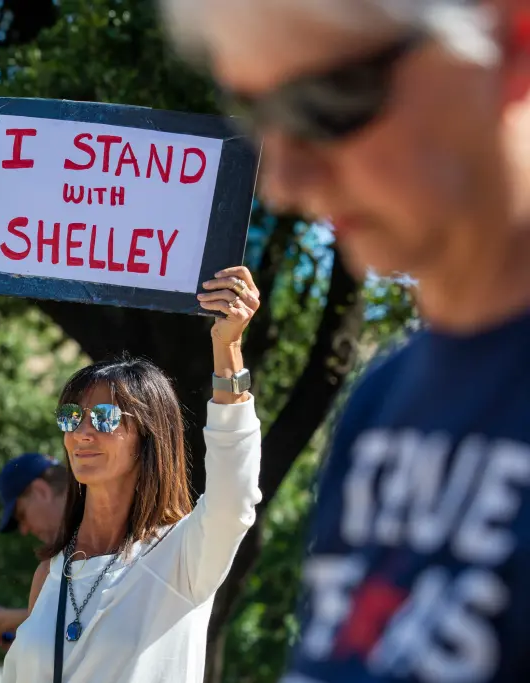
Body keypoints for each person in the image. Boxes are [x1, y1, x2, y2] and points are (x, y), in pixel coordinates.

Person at [162, 1, 530, 681]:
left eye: (328, 102)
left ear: (511, 40)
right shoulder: (384, 395)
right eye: (256, 113)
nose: (285, 184)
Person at [2, 266, 263, 683]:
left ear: (149, 436)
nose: (82, 433)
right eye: (71, 416)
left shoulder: (182, 556)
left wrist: (227, 345)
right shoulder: (50, 574)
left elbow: (236, 495)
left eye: (104, 418)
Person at [0, 452, 66, 646]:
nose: (24, 529)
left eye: (21, 514)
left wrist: (7, 619)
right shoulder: (71, 549)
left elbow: (94, 618)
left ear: (41, 491)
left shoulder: (103, 535)